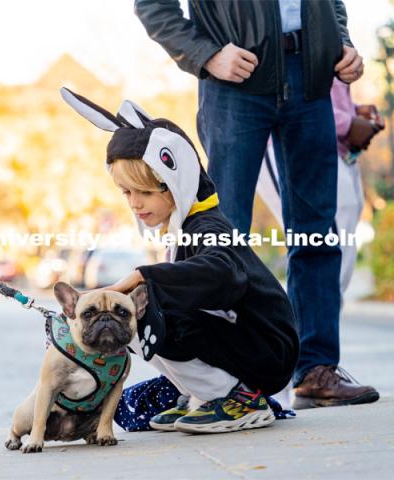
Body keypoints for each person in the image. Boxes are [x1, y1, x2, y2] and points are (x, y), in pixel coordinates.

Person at [135, 0, 379, 408]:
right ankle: (220, 380)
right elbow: (153, 6)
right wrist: (206, 54)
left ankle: (316, 369)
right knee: (221, 237)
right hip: (235, 83)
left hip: (313, 80)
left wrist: (341, 43)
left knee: (317, 232)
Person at [60, 88, 299, 434]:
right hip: (246, 342)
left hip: (267, 349)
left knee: (148, 313)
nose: (134, 203)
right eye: (127, 192)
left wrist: (144, 276)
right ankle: (201, 394)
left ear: (176, 180)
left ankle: (239, 398)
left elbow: (224, 273)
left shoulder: (208, 226)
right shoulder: (183, 227)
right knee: (137, 316)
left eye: (144, 192)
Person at [257, 78, 385, 295]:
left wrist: (355, 111)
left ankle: (321, 321)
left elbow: (327, 92)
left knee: (342, 230)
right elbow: (287, 91)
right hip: (289, 143)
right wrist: (347, 122)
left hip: (335, 146)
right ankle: (299, 322)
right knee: (316, 241)